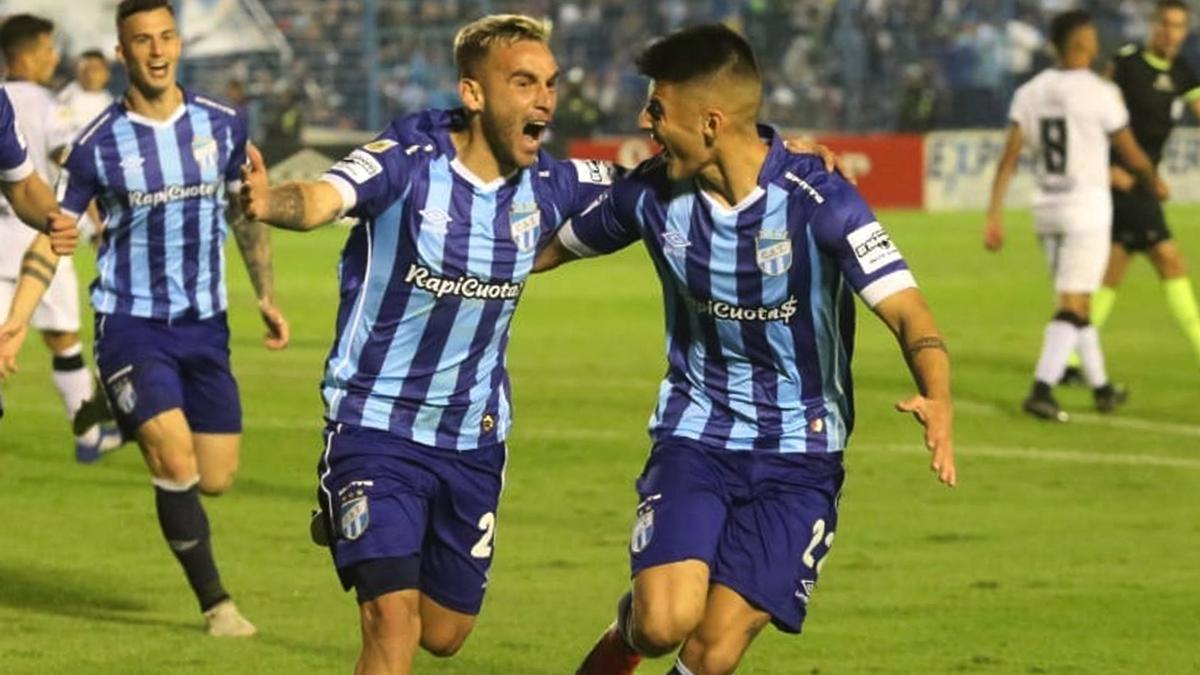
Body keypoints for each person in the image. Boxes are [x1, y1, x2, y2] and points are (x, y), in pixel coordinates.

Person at [532, 24, 957, 675]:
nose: (646, 123)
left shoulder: (822, 202)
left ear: (709, 121)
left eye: (657, 111)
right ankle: (626, 633)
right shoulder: (652, 195)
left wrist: (939, 392)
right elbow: (547, 252)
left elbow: (907, 310)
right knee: (661, 621)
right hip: (697, 435)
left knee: (712, 651)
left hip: (801, 452)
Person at [0, 0, 289, 636]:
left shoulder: (223, 125)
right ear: (122, 52)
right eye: (142, 41)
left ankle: (126, 409)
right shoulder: (97, 145)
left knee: (216, 477)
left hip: (205, 324)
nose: (156, 51)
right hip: (130, 322)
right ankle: (217, 604)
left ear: (177, 44)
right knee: (175, 461)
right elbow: (55, 234)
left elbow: (244, 211)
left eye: (165, 38)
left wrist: (265, 295)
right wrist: (19, 319)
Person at [983, 10, 1164, 422]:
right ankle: (1041, 390)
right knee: (1072, 302)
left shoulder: (1030, 91)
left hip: (1046, 210)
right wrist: (1152, 179)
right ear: (1082, 42)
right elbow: (1132, 152)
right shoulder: (1101, 92)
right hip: (1086, 209)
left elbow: (1009, 157)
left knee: (1075, 301)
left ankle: (1101, 388)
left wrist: (994, 214)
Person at [0, 14, 121, 460]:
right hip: (38, 239)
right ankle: (88, 434)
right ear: (29, 55)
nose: (55, 58)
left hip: (19, 233)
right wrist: (92, 217)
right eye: (49, 50)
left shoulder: (6, 101)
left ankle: (89, 432)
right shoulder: (51, 105)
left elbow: (21, 181)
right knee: (64, 336)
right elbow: (70, 161)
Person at [1062, 0, 1200, 381]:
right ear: (1153, 26)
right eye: (1166, 24)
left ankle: (1070, 360)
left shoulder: (1183, 72)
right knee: (1169, 259)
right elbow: (1094, 114)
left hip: (1143, 184)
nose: (1171, 33)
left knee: (1112, 271)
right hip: (1123, 184)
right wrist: (1107, 168)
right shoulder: (1127, 65)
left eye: (1179, 27)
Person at [58, 49, 115, 136]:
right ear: (78, 72)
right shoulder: (64, 99)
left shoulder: (111, 102)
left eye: (96, 69)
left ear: (107, 74)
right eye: (88, 69)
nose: (91, 74)